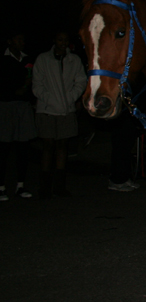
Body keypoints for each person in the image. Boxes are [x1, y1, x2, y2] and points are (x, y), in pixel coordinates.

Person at [32, 30, 87, 198]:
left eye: (65, 40)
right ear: (54, 40)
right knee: (48, 147)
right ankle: (44, 187)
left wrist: (70, 98)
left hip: (66, 109)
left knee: (63, 146)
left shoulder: (74, 60)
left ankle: (59, 186)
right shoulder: (43, 59)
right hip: (47, 110)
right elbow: (37, 84)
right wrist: (50, 99)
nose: (63, 42)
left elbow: (81, 81)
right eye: (60, 39)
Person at [0, 30, 37, 200]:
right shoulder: (3, 59)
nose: (22, 41)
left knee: (23, 147)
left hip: (23, 106)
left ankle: (20, 186)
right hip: (6, 106)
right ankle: (1, 187)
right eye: (18, 38)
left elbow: (32, 79)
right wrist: (12, 91)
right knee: (4, 147)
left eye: (23, 38)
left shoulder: (28, 59)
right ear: (10, 41)